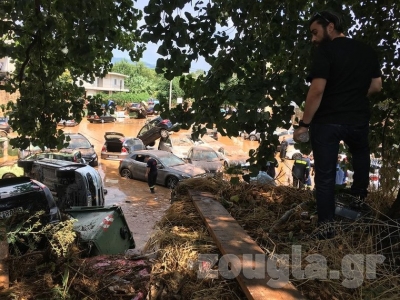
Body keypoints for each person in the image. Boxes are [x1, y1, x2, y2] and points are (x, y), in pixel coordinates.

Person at [293, 10, 382, 238]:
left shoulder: (326, 51)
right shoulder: (367, 51)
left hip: (328, 122)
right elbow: (376, 87)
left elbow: (317, 90)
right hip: (358, 120)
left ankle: (326, 231)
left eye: (315, 32)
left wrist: (304, 124)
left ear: (330, 26)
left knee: (325, 177)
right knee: (361, 160)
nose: (313, 38)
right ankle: (356, 209)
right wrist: (352, 96)